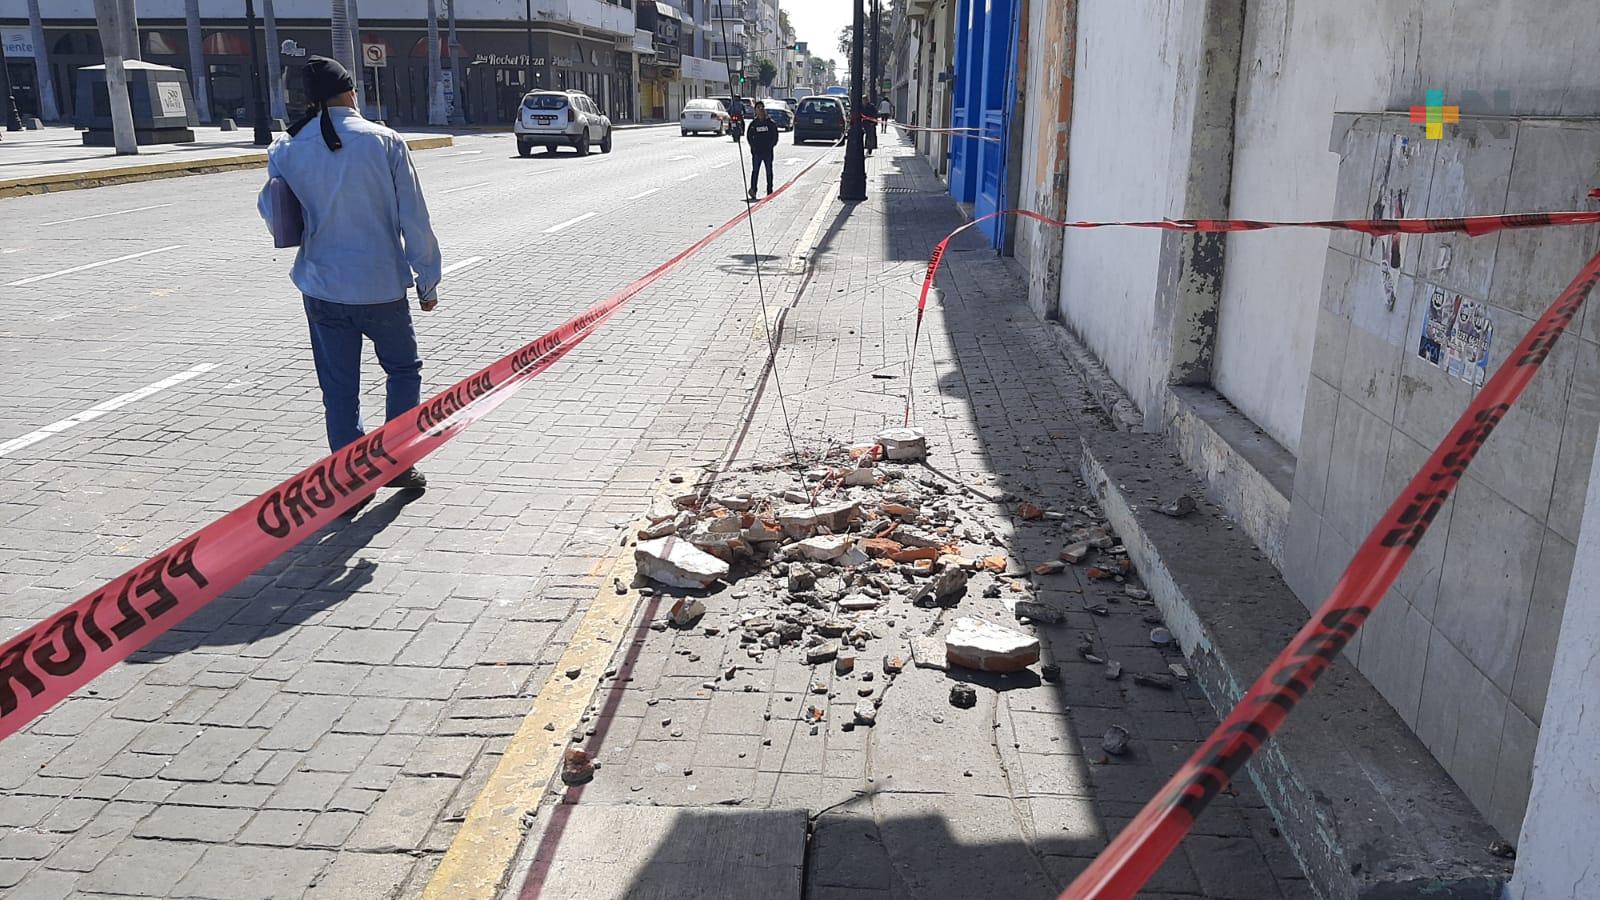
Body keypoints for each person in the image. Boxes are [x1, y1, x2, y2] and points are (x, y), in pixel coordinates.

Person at [257, 56, 441, 503]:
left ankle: (348, 479)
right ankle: (397, 461)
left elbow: (274, 215)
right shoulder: (385, 141)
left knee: (339, 387)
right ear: (349, 92)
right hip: (380, 287)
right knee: (402, 371)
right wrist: (428, 278)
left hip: (321, 286)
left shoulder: (285, 149)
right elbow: (413, 217)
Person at [745, 102, 779, 200]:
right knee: (755, 171)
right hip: (757, 152)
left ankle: (769, 190)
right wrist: (753, 147)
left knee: (769, 171)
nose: (760, 110)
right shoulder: (754, 124)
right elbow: (749, 137)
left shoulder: (770, 123)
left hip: (767, 152)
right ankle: (753, 190)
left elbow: (775, 136)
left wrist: (771, 146)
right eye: (758, 108)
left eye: (762, 108)